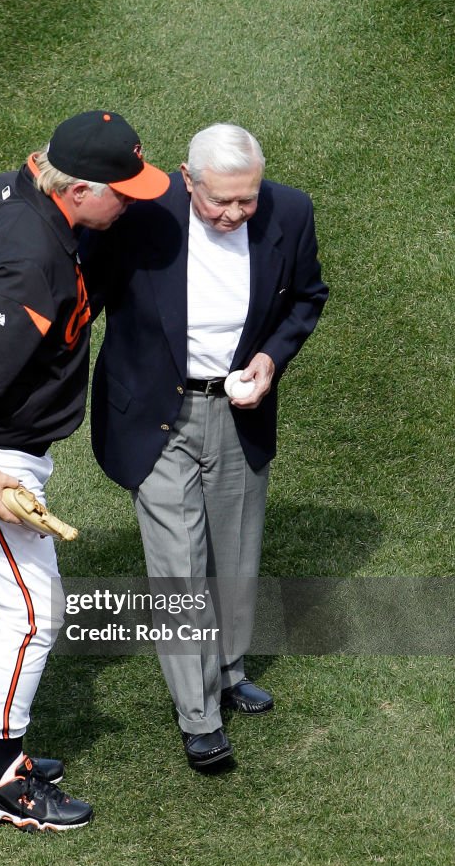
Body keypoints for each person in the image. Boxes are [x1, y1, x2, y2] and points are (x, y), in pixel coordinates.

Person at [0, 111, 169, 831]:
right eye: (123, 190)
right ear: (78, 188)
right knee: (32, 611)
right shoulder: (30, 255)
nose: (133, 201)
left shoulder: (13, 188)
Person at [81, 123, 328, 772]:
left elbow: (306, 297)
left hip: (238, 409)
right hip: (154, 415)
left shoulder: (290, 210)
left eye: (246, 200)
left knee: (236, 553)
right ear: (187, 180)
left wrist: (271, 362)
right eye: (220, 200)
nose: (235, 214)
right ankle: (198, 714)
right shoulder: (137, 214)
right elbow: (80, 287)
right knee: (179, 567)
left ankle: (227, 666)